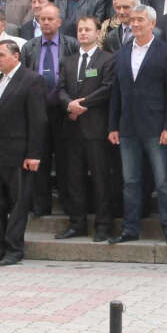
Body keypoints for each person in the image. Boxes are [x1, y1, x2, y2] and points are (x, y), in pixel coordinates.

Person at [108, 4, 167, 245]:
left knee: (163, 182)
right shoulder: (122, 53)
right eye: (133, 20)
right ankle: (130, 229)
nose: (135, 24)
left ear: (152, 23)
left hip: (156, 128)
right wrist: (113, 126)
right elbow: (116, 92)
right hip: (128, 128)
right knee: (130, 182)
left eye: (140, 19)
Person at [0, 41, 48, 266]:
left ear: (16, 56)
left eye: (1, 55)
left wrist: (34, 154)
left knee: (18, 202)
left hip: (18, 153)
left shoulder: (31, 80)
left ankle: (14, 248)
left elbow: (38, 119)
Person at [56, 15, 118, 241]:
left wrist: (82, 104)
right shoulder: (68, 61)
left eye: (87, 29)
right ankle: (77, 223)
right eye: (80, 30)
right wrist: (68, 104)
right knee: (74, 179)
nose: (83, 33)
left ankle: (103, 225)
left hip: (96, 129)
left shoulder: (107, 59)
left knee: (101, 179)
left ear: (97, 33)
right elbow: (60, 89)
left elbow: (107, 88)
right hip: (72, 129)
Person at [20, 2, 78, 219]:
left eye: (50, 19)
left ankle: (67, 203)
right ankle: (40, 204)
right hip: (37, 111)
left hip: (63, 110)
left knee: (65, 160)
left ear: (59, 22)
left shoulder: (71, 44)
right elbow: (23, 78)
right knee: (39, 158)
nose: (46, 22)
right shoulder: (29, 47)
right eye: (42, 19)